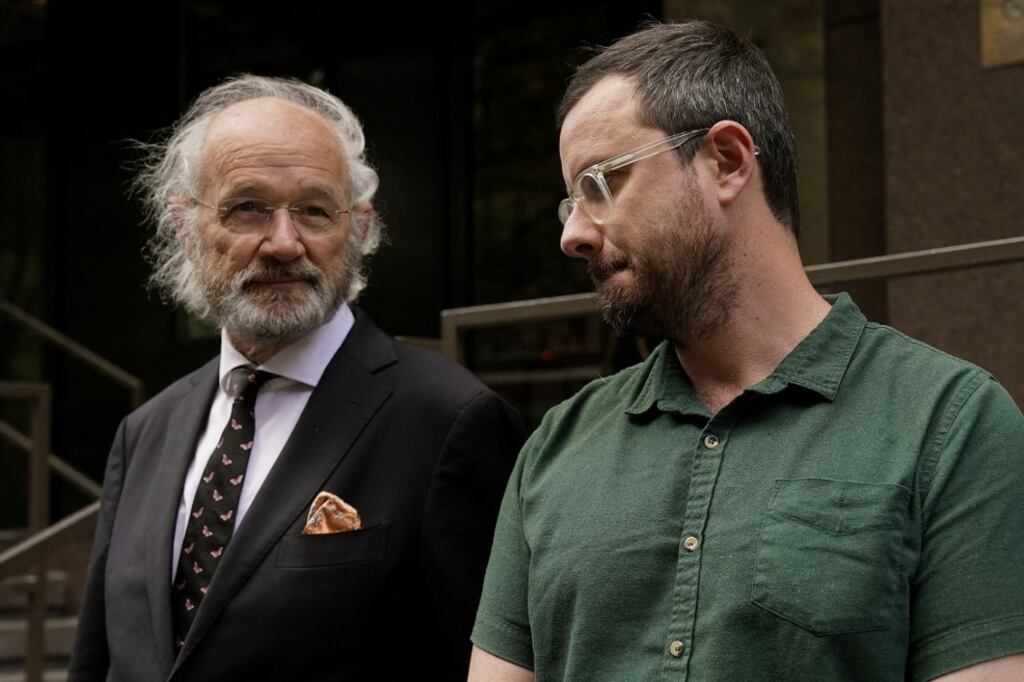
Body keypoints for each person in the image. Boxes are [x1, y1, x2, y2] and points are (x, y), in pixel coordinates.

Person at [469, 20, 1024, 682]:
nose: (573, 235)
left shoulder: (950, 424)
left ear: (727, 161)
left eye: (601, 182)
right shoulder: (555, 447)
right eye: (571, 201)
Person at [68, 75, 523, 682]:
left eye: (313, 210)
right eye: (247, 207)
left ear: (358, 229)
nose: (284, 244)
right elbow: (98, 659)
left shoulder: (449, 420)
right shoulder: (144, 431)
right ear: (184, 227)